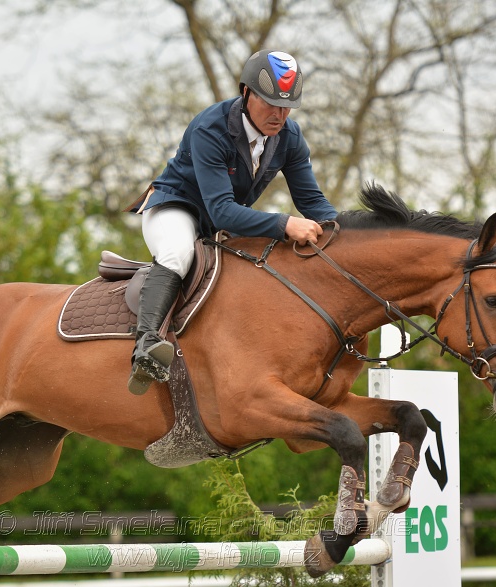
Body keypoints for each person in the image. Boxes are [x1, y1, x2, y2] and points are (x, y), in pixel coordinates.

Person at [126, 50, 338, 395]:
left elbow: (312, 202)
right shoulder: (211, 127)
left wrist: (340, 233)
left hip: (220, 223)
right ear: (246, 92)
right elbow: (222, 209)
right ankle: (146, 347)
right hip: (176, 207)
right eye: (270, 103)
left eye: (286, 107)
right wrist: (285, 223)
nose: (279, 114)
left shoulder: (290, 137)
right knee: (179, 253)